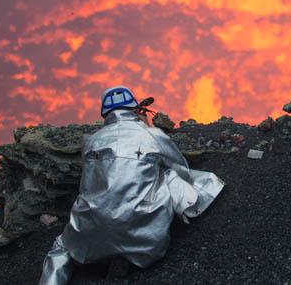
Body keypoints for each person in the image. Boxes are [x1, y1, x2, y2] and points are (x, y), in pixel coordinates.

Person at [39, 86, 225, 285]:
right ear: (135, 108)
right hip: (146, 242)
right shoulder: (154, 135)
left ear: (106, 113)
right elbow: (182, 169)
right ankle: (191, 211)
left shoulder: (90, 141)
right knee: (170, 174)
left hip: (91, 235)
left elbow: (86, 186)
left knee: (61, 249)